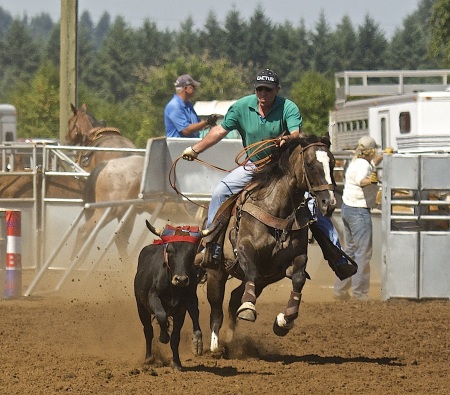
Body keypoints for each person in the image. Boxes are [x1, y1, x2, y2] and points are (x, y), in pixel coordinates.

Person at [182, 68, 356, 280]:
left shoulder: (288, 107)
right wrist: (196, 149)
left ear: (277, 90)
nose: (263, 95)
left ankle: (336, 256)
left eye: (268, 90)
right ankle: (209, 247)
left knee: (313, 206)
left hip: (283, 170)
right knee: (220, 192)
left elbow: (295, 133)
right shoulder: (241, 107)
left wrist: (288, 140)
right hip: (253, 166)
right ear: (255, 90)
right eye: (260, 90)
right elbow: (219, 131)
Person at [333, 135, 384, 301]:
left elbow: (369, 165)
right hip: (359, 211)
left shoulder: (356, 161)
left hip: (348, 208)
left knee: (350, 250)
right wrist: (371, 179)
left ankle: (340, 289)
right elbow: (362, 180)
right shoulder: (363, 165)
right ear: (370, 150)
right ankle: (359, 292)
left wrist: (380, 158)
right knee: (363, 252)